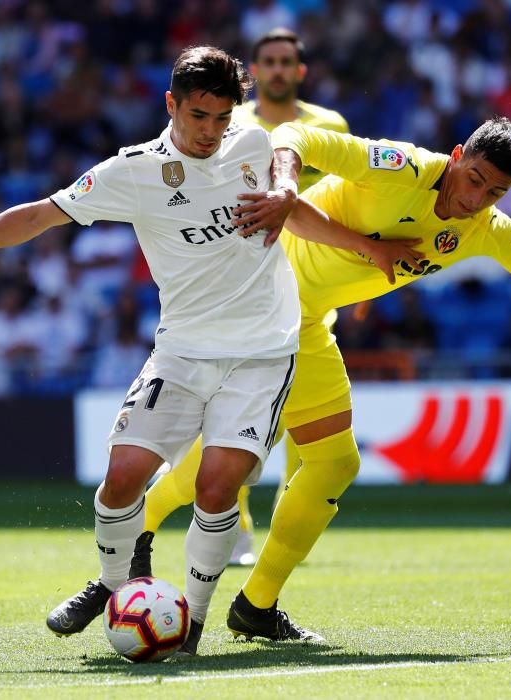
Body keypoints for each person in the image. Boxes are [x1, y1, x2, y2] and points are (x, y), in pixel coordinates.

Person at [0, 46, 402, 656]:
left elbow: (295, 213)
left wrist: (369, 248)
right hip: (181, 350)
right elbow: (38, 218)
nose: (211, 131)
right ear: (171, 104)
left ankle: (194, 627)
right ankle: (110, 583)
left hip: (263, 350)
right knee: (122, 478)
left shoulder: (253, 147)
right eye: (199, 116)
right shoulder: (133, 172)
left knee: (216, 486)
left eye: (222, 118)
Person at [131, 117, 511, 642]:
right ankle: (143, 525)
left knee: (332, 465)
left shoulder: (486, 230)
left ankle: (254, 605)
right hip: (255, 305)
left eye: (496, 192)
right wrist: (288, 186)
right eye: (474, 179)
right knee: (241, 457)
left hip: (305, 325)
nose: (476, 199)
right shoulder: (399, 166)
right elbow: (292, 136)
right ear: (457, 157)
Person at [144, 28, 349, 567]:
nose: (279, 70)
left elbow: (342, 200)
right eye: (270, 62)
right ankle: (230, 526)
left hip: (314, 281)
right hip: (249, 285)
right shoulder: (231, 123)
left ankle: (283, 532)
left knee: (305, 433)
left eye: (288, 61)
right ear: (255, 71)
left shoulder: (329, 127)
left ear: (300, 70)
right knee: (244, 424)